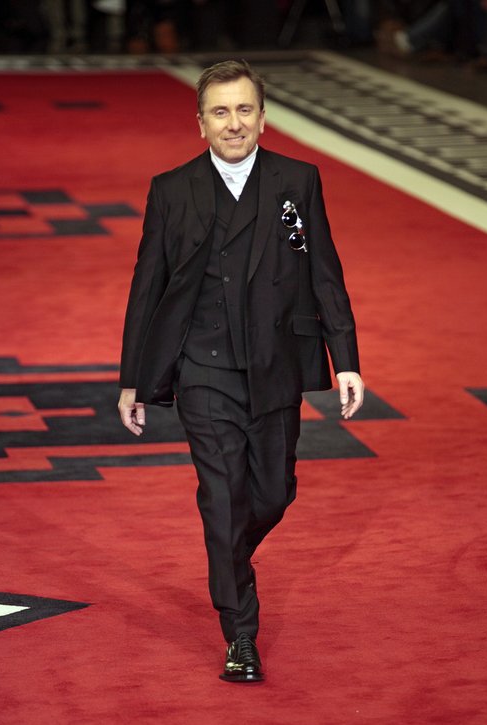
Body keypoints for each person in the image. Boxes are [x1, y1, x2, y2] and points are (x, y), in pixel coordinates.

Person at [118, 59, 364, 683]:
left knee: (275, 493)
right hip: (202, 370)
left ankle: (228, 558)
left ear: (263, 116)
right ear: (200, 123)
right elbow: (147, 289)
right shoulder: (171, 190)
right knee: (223, 500)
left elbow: (323, 271)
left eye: (244, 109)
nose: (234, 123)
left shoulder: (296, 181)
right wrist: (133, 379)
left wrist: (347, 361)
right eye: (220, 112)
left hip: (276, 364)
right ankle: (241, 635)